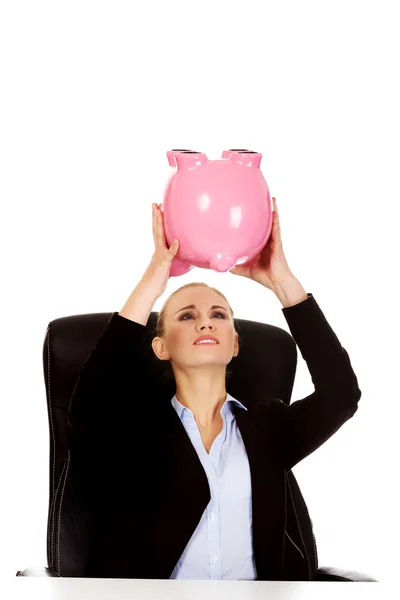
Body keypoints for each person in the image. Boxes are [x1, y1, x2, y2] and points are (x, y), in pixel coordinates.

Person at [67, 198, 361, 581]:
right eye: (187, 316)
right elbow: (86, 411)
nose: (205, 323)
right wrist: (152, 285)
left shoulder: (268, 431)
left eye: (218, 315)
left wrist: (281, 281)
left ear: (234, 343)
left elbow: (341, 394)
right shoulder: (137, 430)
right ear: (161, 347)